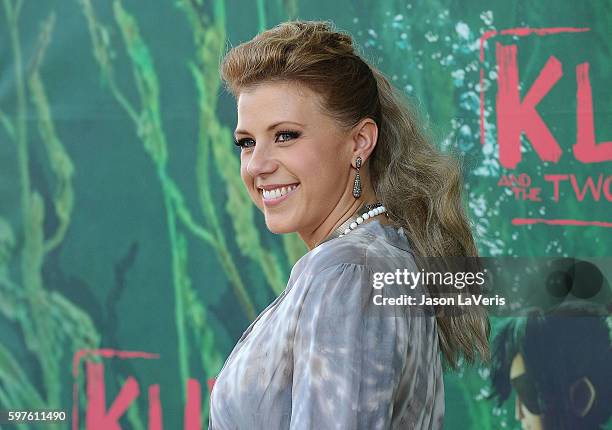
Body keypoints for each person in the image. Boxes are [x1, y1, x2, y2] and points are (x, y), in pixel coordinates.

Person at [209, 20, 489, 429]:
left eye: (285, 135)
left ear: (359, 142)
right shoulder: (377, 257)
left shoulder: (349, 272)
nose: (258, 165)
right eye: (247, 142)